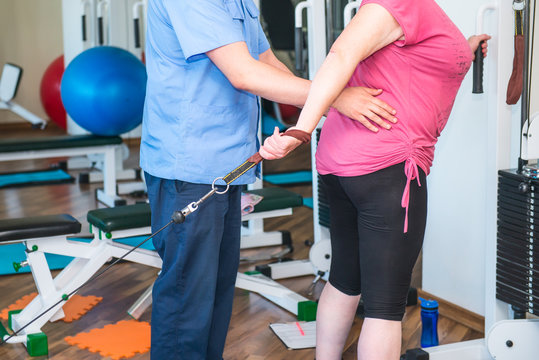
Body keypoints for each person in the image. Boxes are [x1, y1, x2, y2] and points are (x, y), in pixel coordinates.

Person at [139, 1, 400, 359]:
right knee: (188, 298)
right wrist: (335, 98)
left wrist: (317, 104)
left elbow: (266, 61)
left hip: (226, 166)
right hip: (189, 167)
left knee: (215, 294)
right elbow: (243, 73)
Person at [259, 1, 490, 359]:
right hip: (388, 165)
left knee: (344, 280)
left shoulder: (414, 10)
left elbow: (417, 61)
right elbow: (340, 57)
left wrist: (466, 47)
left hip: (345, 164)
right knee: (385, 307)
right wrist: (299, 130)